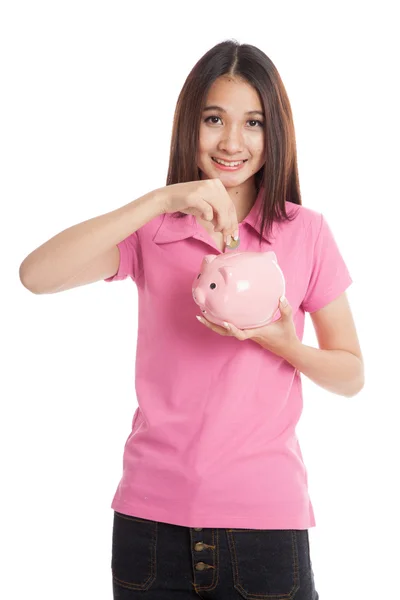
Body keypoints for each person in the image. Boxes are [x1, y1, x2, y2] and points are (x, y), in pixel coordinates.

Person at [19, 39, 364, 599]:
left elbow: (350, 373)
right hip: (150, 528)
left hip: (268, 529)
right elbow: (36, 275)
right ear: (189, 126)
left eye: (252, 123)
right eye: (213, 120)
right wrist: (160, 200)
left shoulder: (306, 233)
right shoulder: (153, 233)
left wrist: (281, 343)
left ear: (274, 132)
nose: (232, 142)